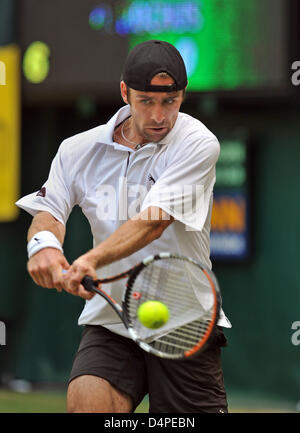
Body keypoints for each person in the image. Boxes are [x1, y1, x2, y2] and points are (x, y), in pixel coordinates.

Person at [16, 40, 231, 413]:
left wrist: (90, 260)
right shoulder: (76, 150)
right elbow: (48, 211)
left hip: (183, 325)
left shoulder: (198, 143)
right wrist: (44, 247)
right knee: (87, 404)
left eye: (171, 101)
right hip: (112, 320)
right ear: (124, 93)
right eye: (146, 101)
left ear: (183, 96)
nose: (159, 115)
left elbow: (153, 222)